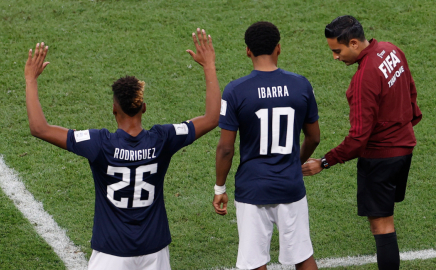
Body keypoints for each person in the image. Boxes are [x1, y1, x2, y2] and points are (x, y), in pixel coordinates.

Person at [24, 28, 220, 270]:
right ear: (144, 108)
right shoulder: (162, 139)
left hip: (111, 253)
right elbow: (212, 118)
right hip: (155, 251)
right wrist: (209, 65)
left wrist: (30, 80)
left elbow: (39, 128)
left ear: (114, 110)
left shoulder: (99, 143)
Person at [302, 15, 422, 270]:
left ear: (354, 43)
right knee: (386, 220)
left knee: (382, 225)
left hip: (380, 158)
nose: (335, 57)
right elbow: (411, 93)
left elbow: (358, 139)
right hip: (404, 148)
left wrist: (323, 162)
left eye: (337, 50)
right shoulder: (392, 50)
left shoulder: (363, 80)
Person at [213, 21, 320, 270]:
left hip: (252, 188)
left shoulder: (235, 91)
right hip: (290, 185)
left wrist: (220, 187)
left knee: (254, 261)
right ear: (278, 48)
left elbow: (226, 148)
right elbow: (314, 137)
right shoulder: (301, 85)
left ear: (247, 51)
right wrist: (295, 162)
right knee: (303, 256)